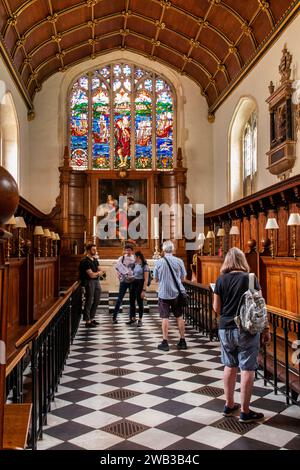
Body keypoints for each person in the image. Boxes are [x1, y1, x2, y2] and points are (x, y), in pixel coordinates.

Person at [213, 247, 271, 423]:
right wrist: (266, 329)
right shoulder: (250, 279)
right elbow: (260, 308)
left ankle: (229, 405)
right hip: (246, 329)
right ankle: (245, 411)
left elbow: (216, 308)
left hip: (225, 328)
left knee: (229, 365)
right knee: (247, 368)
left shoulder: (221, 280)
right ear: (242, 260)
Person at [154, 240, 187, 351]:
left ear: (163, 250)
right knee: (179, 316)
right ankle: (182, 341)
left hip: (163, 293)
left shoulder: (158, 262)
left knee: (165, 317)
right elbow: (183, 278)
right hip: (177, 293)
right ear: (173, 250)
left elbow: (156, 279)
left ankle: (165, 342)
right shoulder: (179, 261)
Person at [79, 243, 102, 328]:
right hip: (89, 282)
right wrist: (97, 273)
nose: (95, 251)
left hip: (96, 282)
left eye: (95, 249)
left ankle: (92, 318)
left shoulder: (95, 260)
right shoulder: (85, 261)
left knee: (97, 300)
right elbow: (91, 275)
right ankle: (87, 321)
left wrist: (97, 273)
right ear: (88, 250)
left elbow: (101, 271)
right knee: (89, 301)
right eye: (93, 249)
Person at [112, 243, 135, 324]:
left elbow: (137, 269)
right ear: (125, 250)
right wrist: (119, 275)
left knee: (132, 300)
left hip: (132, 281)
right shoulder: (121, 258)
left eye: (129, 250)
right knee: (119, 298)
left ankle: (132, 318)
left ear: (132, 251)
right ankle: (114, 317)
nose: (128, 251)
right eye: (126, 250)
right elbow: (117, 268)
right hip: (124, 281)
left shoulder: (134, 258)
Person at [127, 251, 150, 327]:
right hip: (133, 283)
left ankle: (140, 319)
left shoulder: (145, 265)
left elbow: (146, 279)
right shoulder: (135, 264)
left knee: (139, 302)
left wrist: (144, 290)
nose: (134, 258)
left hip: (140, 284)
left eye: (134, 257)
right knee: (132, 301)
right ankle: (133, 318)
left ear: (138, 257)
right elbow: (135, 275)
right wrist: (130, 278)